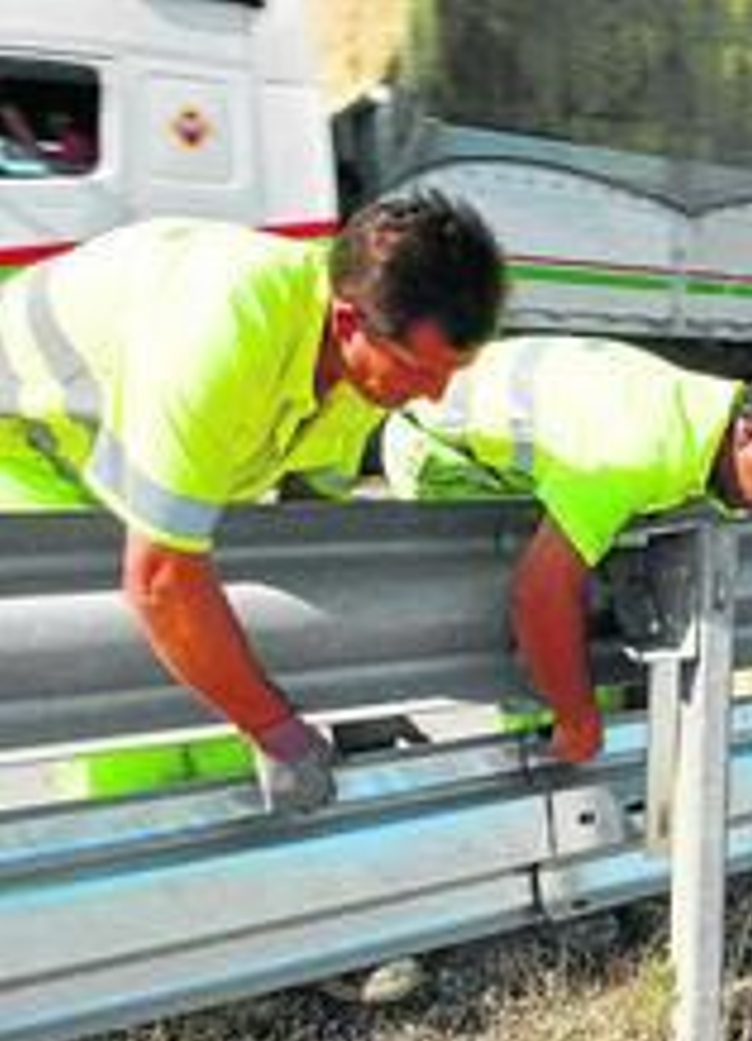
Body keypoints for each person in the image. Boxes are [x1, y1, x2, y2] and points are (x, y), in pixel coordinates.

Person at [0, 191, 506, 812]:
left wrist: (357, 695)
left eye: (452, 371)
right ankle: (139, 855)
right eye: (419, 369)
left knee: (222, 710)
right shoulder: (221, 337)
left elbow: (308, 533)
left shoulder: (363, 371)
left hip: (144, 440)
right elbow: (158, 581)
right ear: (349, 324)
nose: (434, 394)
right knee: (124, 691)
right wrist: (276, 730)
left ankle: (224, 848)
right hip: (27, 443)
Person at [384, 335, 752, 762]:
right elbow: (540, 594)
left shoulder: (715, 411)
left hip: (491, 423)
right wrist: (578, 719)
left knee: (592, 601)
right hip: (438, 452)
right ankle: (541, 761)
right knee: (545, 622)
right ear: (751, 434)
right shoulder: (635, 453)